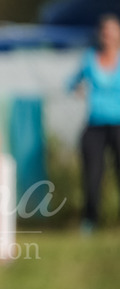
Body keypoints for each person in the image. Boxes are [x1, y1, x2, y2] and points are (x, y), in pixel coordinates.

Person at [68, 14, 120, 232]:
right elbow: (70, 84)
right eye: (105, 31)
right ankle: (90, 221)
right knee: (93, 175)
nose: (108, 36)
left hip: (118, 124)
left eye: (112, 31)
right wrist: (78, 90)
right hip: (95, 124)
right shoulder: (89, 59)